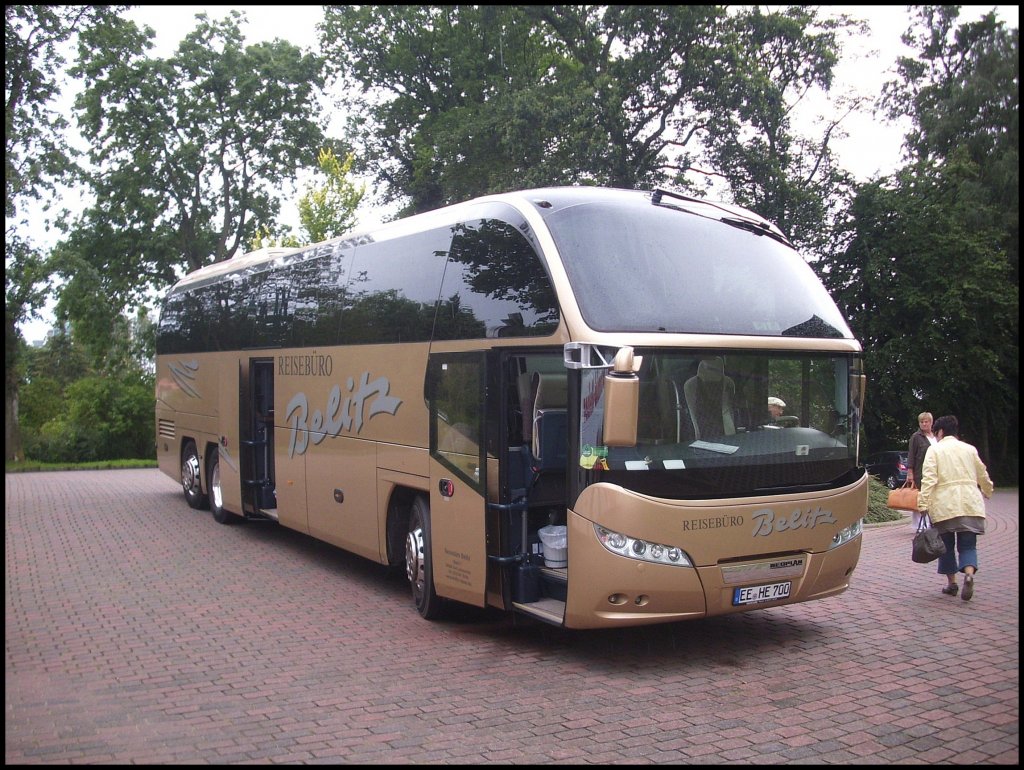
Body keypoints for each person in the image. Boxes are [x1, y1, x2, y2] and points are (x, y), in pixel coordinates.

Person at [917, 415, 994, 601]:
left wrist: (922, 502)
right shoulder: (969, 449)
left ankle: (952, 584)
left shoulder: (934, 451)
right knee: (968, 546)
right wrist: (987, 489)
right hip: (970, 504)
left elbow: (929, 479)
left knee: (946, 547)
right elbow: (982, 473)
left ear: (940, 432)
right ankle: (969, 574)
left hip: (945, 506)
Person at [906, 411, 938, 531]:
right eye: (922, 422)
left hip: (935, 471)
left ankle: (931, 522)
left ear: (931, 422)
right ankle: (920, 525)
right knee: (920, 497)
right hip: (921, 472)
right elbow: (911, 455)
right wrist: (910, 472)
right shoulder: (916, 437)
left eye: (926, 421)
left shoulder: (936, 437)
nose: (924, 424)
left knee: (933, 497)